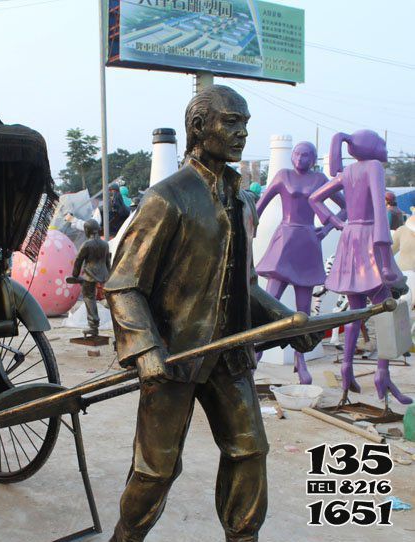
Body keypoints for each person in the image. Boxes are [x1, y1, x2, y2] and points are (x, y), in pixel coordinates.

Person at [105, 85, 320, 542]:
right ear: (199, 128)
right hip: (175, 357)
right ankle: (126, 537)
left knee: (249, 452)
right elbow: (124, 285)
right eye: (231, 122)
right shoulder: (168, 198)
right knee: (156, 471)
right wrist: (145, 350)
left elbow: (244, 287)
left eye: (245, 123)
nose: (242, 133)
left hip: (229, 355)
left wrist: (289, 322)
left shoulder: (242, 202)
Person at [310, 130, 411, 405]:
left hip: (350, 241)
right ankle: (382, 373)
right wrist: (384, 253)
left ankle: (346, 370)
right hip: (369, 243)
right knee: (385, 311)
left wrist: (337, 223)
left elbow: (314, 199)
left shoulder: (347, 172)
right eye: (382, 144)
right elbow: (380, 210)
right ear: (372, 147)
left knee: (355, 311)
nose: (386, 149)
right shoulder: (373, 167)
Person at [254, 141, 346, 384]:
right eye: (296, 153)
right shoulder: (282, 176)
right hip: (284, 241)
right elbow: (259, 206)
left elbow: (345, 206)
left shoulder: (319, 179)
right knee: (268, 303)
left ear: (313, 159)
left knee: (302, 309)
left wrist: (326, 230)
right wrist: (249, 228)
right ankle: (256, 353)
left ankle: (299, 359)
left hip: (307, 243)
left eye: (306, 155)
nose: (300, 158)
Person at [70, 219, 111, 335]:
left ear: (87, 230)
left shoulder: (87, 244)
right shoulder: (105, 244)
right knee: (109, 299)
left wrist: (75, 275)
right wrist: (110, 276)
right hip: (104, 275)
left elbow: (78, 260)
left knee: (89, 297)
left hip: (90, 275)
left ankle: (93, 326)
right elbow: (108, 261)